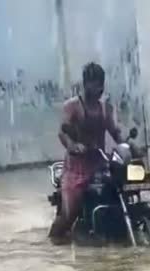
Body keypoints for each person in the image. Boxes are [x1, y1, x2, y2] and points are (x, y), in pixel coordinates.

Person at [49, 62, 123, 244]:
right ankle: (54, 238)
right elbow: (63, 132)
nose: (98, 89)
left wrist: (129, 145)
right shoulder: (72, 106)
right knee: (70, 212)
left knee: (122, 188)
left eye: (100, 84)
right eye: (94, 84)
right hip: (77, 167)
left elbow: (115, 132)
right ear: (85, 84)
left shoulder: (106, 108)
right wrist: (73, 146)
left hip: (100, 164)